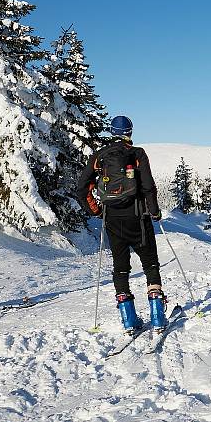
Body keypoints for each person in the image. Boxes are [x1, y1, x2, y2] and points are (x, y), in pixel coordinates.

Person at [77, 115, 167, 335]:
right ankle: (157, 317)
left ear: (112, 131)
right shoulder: (137, 154)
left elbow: (81, 189)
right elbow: (148, 186)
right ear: (130, 131)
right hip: (138, 217)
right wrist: (154, 211)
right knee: (150, 263)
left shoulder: (99, 157)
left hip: (112, 220)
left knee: (120, 267)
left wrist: (96, 211)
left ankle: (128, 320)